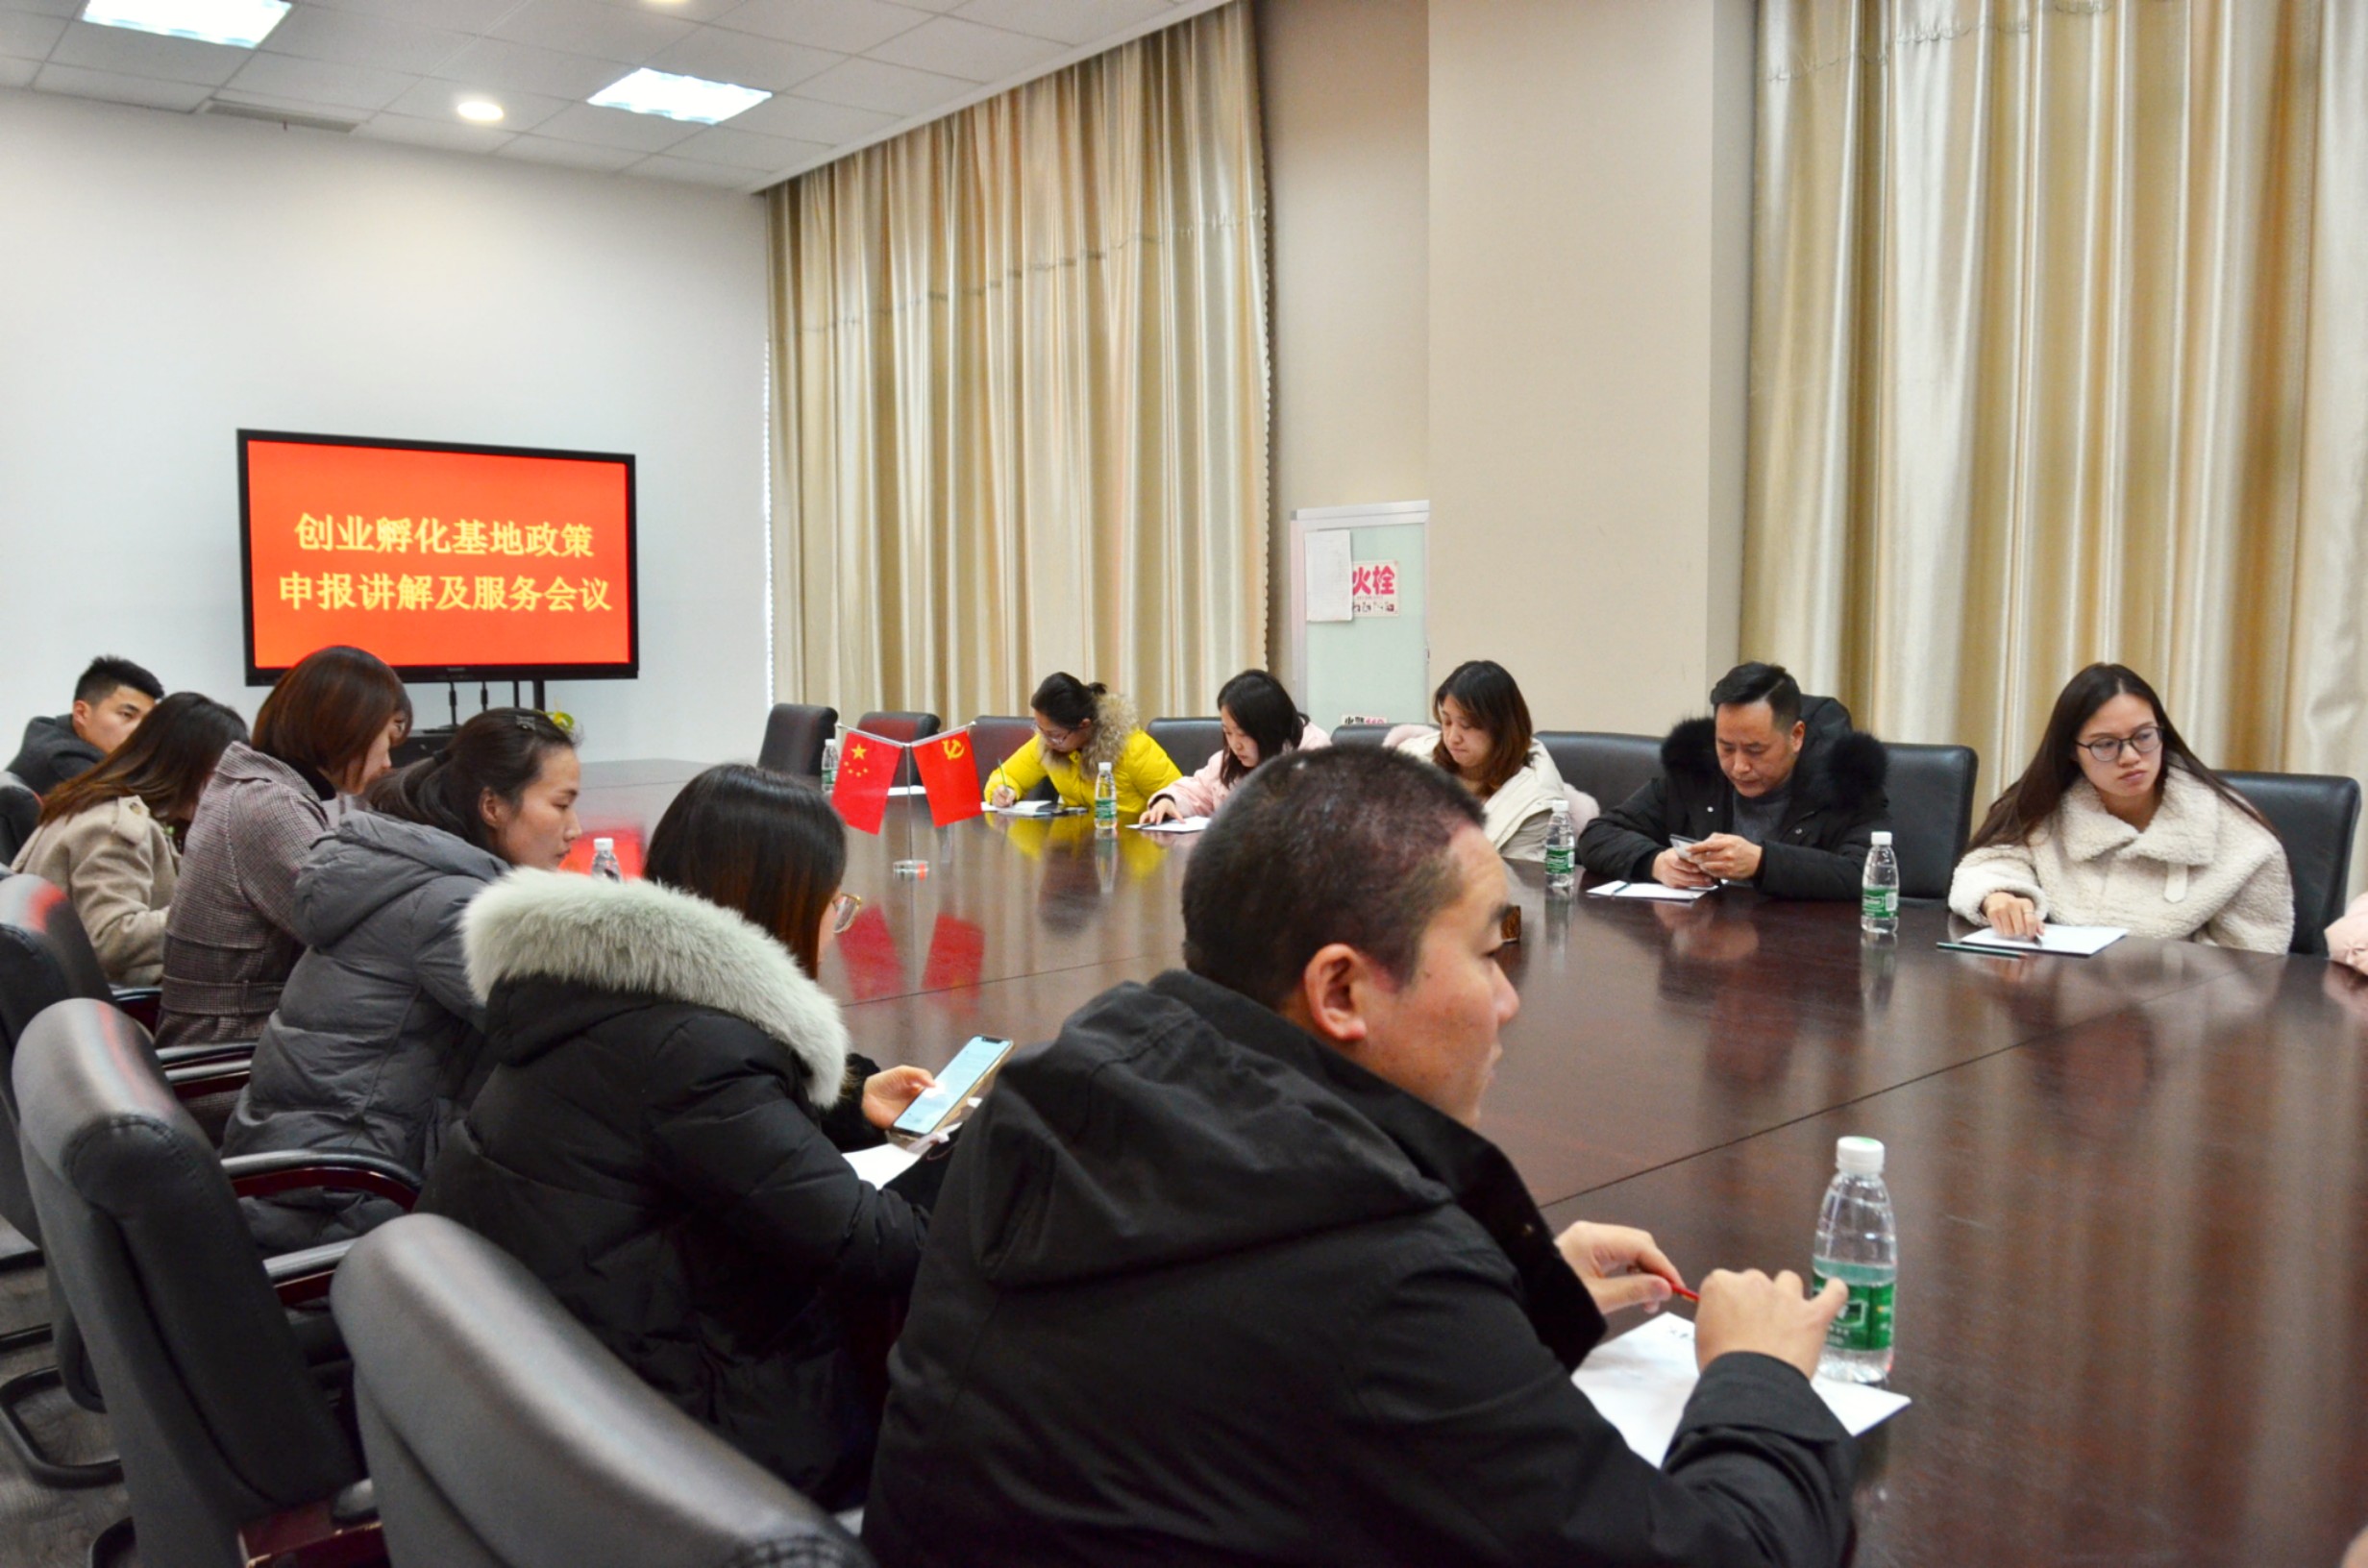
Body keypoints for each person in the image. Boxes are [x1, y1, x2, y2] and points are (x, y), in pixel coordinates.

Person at [866, 746, 1856, 1568]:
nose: (1508, 1001)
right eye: (1487, 953)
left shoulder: (1046, 1101)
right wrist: (1757, 1378)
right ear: (1339, 991)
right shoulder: (1380, 1281)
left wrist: (1522, 1300)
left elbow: (1259, 1394)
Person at [420, 765, 945, 1509]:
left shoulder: (610, 984)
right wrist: (988, 1178)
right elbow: (875, 1244)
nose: (838, 922)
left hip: (544, 1373)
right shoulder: (695, 1052)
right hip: (661, 1428)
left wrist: (851, 1101)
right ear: (782, 906)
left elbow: (700, 1124)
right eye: (835, 902)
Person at [223, 710, 581, 1251]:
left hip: (296, 1163)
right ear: (492, 806)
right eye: (561, 804)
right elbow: (557, 1024)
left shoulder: (396, 865)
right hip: (342, 1199)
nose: (575, 829)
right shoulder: (449, 906)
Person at [156, 646, 410, 1048]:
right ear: (346, 727)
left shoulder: (255, 787)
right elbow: (355, 934)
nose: (388, 763)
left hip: (242, 1027)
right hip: (230, 1043)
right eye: (386, 737)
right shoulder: (269, 805)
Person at [1949, 663, 2293, 953]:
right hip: (2051, 998)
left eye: (2144, 736)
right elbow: (1991, 862)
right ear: (2071, 751)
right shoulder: (2044, 808)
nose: (2130, 757)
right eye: (2105, 744)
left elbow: (2252, 963)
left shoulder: (2241, 836)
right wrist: (2000, 896)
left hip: (2177, 1007)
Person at [1578, 661, 1889, 899]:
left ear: (1796, 736)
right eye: (1726, 747)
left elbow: (1867, 874)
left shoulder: (1846, 782)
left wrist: (1763, 863)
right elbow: (1599, 834)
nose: (1739, 767)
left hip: (1802, 951)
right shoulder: (1697, 770)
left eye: (1755, 750)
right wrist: (1655, 862)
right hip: (1705, 943)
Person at [8, 693, 247, 986]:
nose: (228, 790)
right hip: (126, 1001)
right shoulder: (113, 827)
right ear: (185, 766)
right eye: (223, 775)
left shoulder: (98, 802)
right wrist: (216, 911)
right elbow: (111, 937)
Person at [1389, 659, 1573, 860]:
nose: (1452, 737)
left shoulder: (1535, 802)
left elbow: (1519, 876)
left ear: (1501, 729)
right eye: (1446, 721)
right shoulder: (1410, 763)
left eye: (1466, 725)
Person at [983, 672, 1182, 818]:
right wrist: (1004, 790)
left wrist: (1165, 804)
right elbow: (1006, 775)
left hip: (1133, 849)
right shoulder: (1046, 744)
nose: (1047, 741)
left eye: (1055, 735)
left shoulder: (1132, 747)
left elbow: (1179, 795)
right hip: (1077, 847)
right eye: (1040, 730)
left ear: (1084, 725)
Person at [1141, 669, 1328, 823]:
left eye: (1243, 734)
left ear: (1268, 728)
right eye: (1228, 732)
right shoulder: (1228, 760)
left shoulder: (1314, 757)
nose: (1235, 745)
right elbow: (1196, 790)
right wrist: (1168, 801)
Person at [7, 655, 163, 795]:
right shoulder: (63, 761)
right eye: (127, 715)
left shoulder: (55, 733)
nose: (139, 730)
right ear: (81, 713)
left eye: (147, 721)